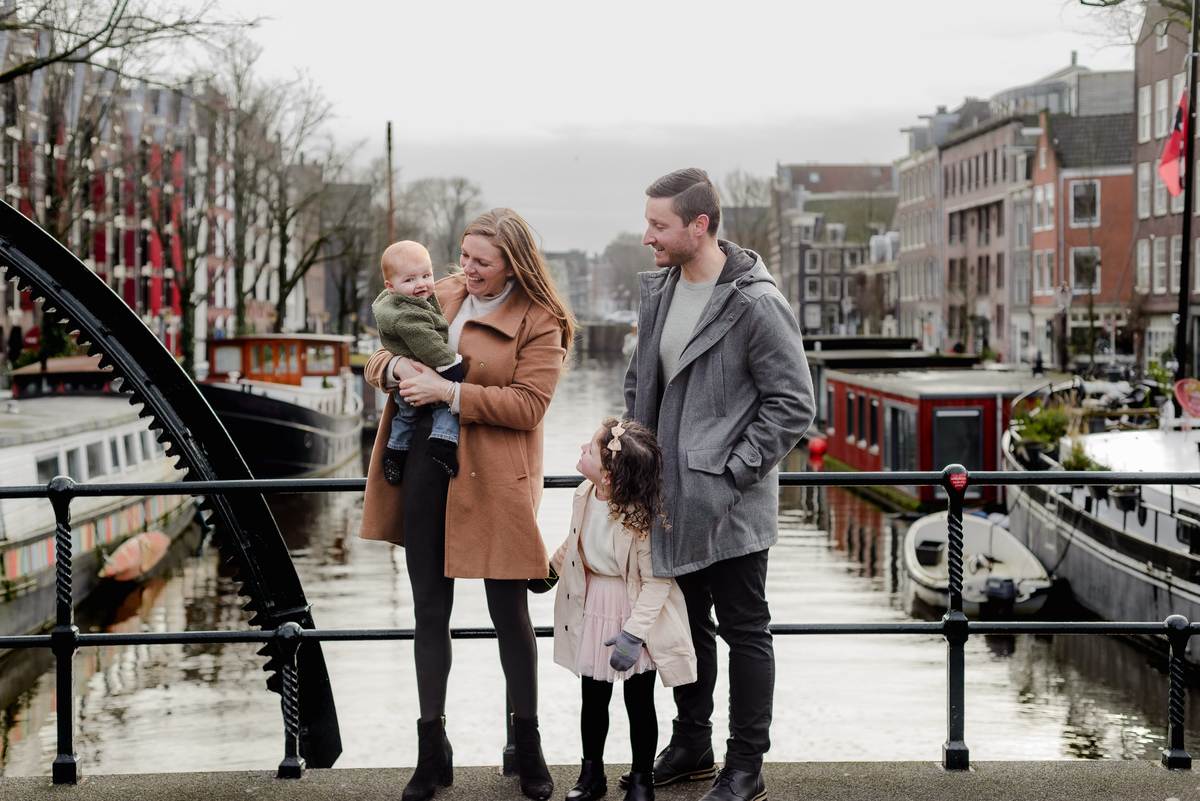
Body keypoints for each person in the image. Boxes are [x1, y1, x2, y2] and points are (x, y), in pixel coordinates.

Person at [358, 208, 576, 801]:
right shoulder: (438, 293)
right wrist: (395, 366)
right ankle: (433, 752)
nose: (466, 270)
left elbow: (530, 406)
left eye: (482, 261)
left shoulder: (543, 320)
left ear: (514, 263)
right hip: (428, 472)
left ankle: (527, 748)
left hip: (497, 481)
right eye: (464, 256)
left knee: (511, 616)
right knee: (429, 611)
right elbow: (376, 352)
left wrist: (449, 392)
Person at [622, 168, 814, 801]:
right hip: (669, 499)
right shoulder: (660, 290)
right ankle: (693, 744)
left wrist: (732, 473)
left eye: (659, 224)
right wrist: (629, 448)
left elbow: (792, 404)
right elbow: (639, 380)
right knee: (687, 625)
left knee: (745, 630)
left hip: (729, 504)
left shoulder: (755, 302)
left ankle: (745, 766)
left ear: (698, 225)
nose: (647, 235)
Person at [551, 418, 696, 801]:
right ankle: (591, 775)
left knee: (639, 699)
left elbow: (656, 581)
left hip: (632, 610)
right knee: (592, 697)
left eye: (591, 447)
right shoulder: (584, 494)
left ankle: (641, 778)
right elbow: (575, 544)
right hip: (593, 603)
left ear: (610, 475)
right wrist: (547, 571)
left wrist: (634, 633)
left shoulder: (640, 516)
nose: (583, 448)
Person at [371, 240, 466, 480]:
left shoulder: (409, 301)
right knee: (444, 407)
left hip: (409, 385)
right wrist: (453, 371)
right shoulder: (409, 313)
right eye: (410, 280)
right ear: (390, 287)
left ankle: (395, 451)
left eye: (426, 275)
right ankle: (442, 443)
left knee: (406, 417)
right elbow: (429, 345)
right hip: (420, 375)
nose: (421, 284)